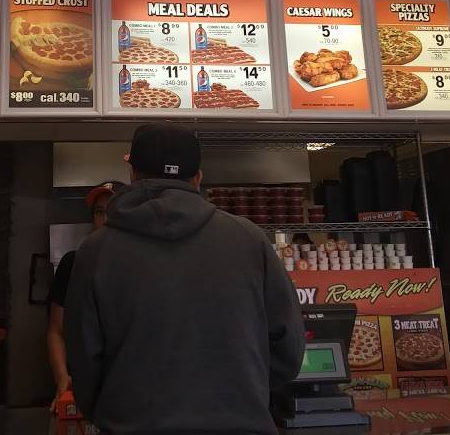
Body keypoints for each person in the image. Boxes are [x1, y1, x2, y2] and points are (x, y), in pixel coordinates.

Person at [65, 123, 304, 434]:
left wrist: (113, 412)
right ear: (198, 178)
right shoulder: (250, 240)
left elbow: (83, 357)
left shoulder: (95, 251)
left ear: (133, 174)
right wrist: (243, 392)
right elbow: (288, 347)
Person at [47, 181, 119, 412]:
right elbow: (56, 331)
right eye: (99, 212)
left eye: (113, 212)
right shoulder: (73, 264)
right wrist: (62, 377)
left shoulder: (140, 267)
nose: (105, 220)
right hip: (83, 387)